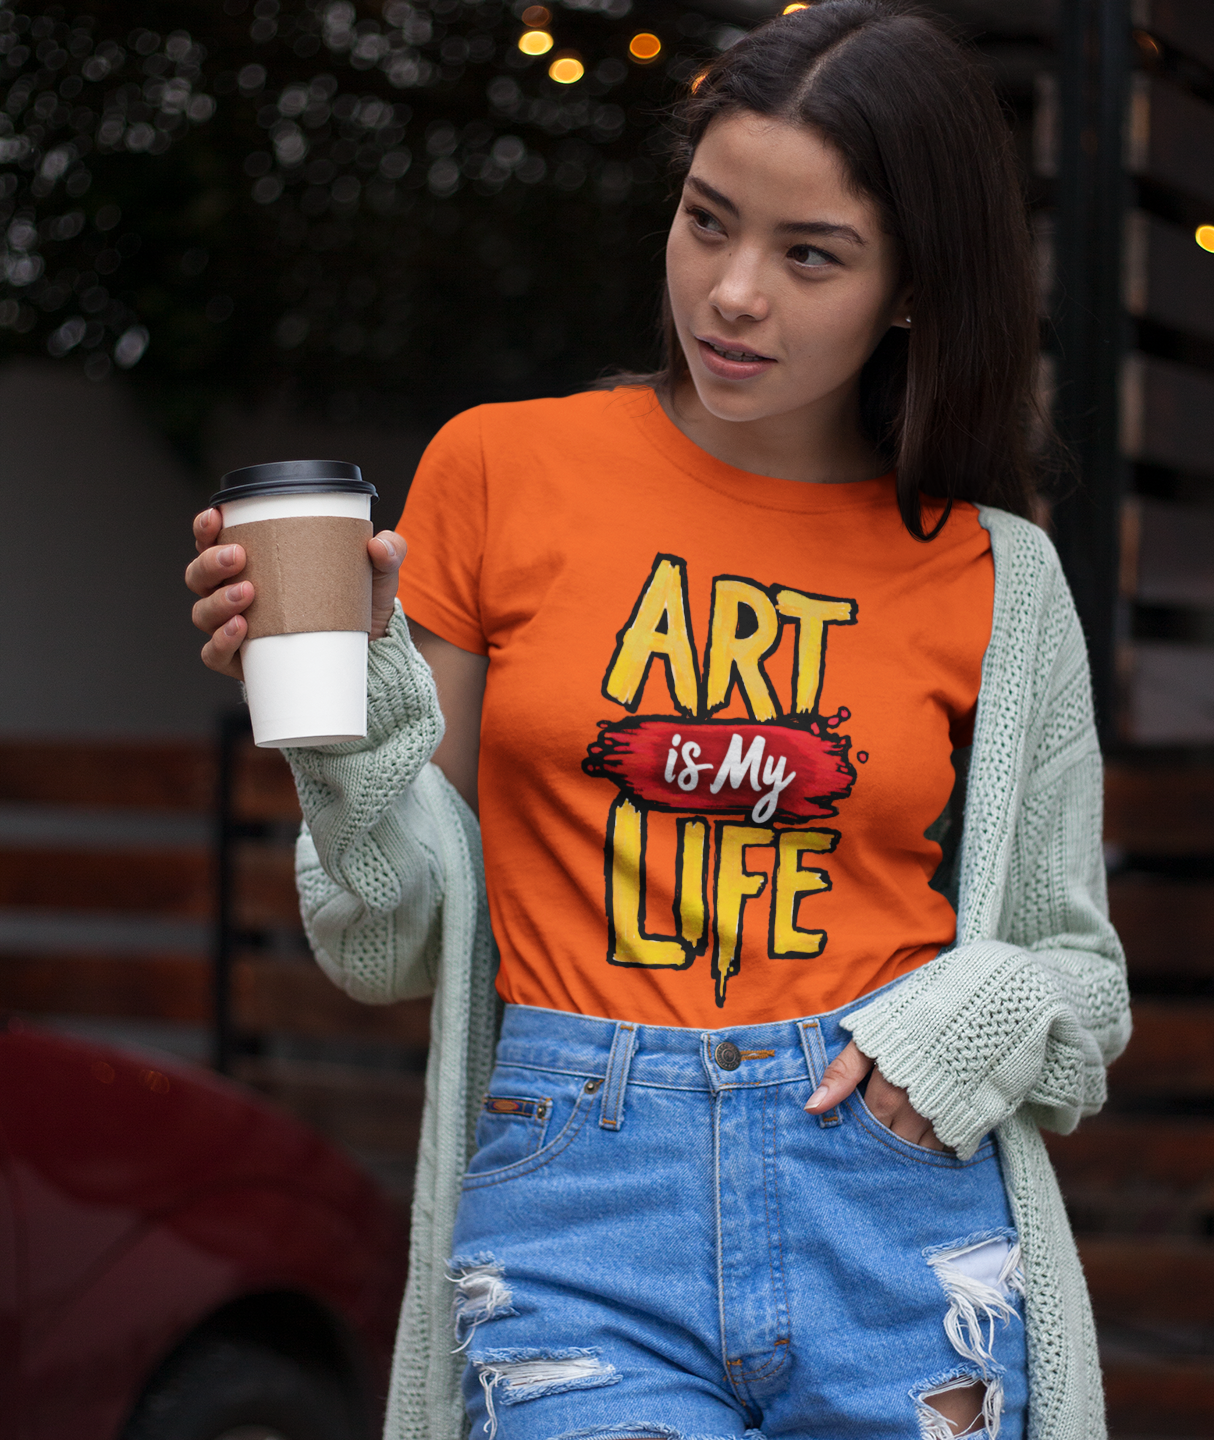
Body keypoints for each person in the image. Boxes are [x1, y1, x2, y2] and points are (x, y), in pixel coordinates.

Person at [187, 2, 1129, 1437]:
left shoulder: (1000, 574)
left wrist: (961, 1024)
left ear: (914, 288)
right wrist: (342, 737)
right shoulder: (502, 470)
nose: (734, 292)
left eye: (809, 254)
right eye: (708, 221)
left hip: (892, 1193)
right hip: (579, 1193)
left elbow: (1080, 976)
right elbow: (385, 939)